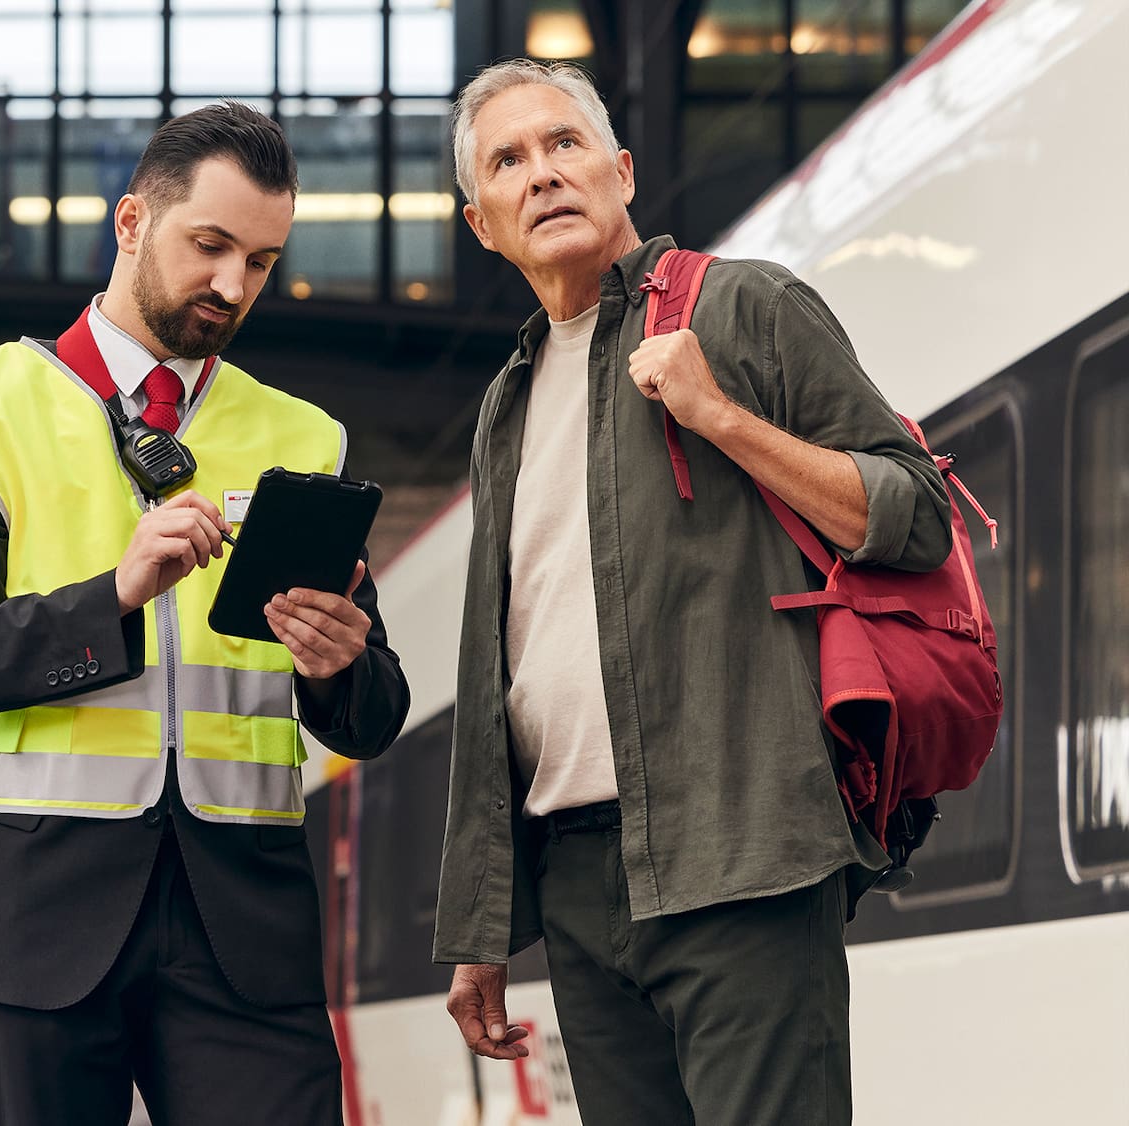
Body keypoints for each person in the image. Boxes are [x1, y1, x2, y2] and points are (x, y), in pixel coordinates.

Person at [432, 60, 954, 1126]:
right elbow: (495, 675)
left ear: (619, 172)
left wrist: (721, 418)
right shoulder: (505, 404)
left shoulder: (745, 306)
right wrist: (478, 925)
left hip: (744, 852)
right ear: (481, 223)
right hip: (579, 875)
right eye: (507, 160)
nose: (541, 174)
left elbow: (914, 514)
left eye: (563, 144)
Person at [0, 101, 410, 1125]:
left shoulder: (298, 435)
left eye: (257, 261)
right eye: (207, 246)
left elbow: (372, 713)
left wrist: (336, 665)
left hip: (241, 926)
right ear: (131, 222)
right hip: (28, 913)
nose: (230, 285)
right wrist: (109, 599)